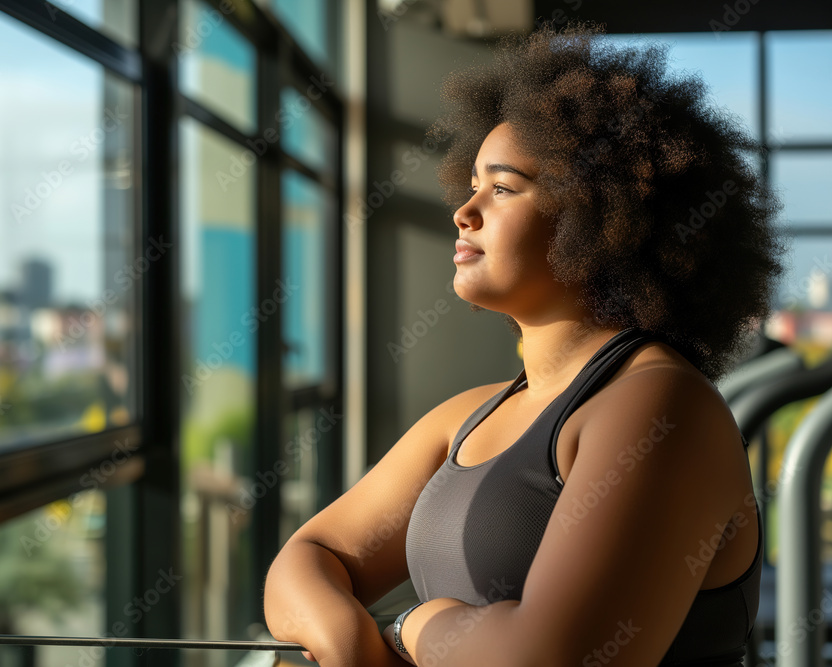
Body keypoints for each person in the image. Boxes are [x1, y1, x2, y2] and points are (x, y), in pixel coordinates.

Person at [263, 22, 787, 667]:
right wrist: (349, 646)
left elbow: (552, 658)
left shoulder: (659, 406)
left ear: (607, 218)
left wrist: (412, 628)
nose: (465, 210)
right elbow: (310, 558)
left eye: (504, 187)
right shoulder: (467, 416)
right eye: (473, 183)